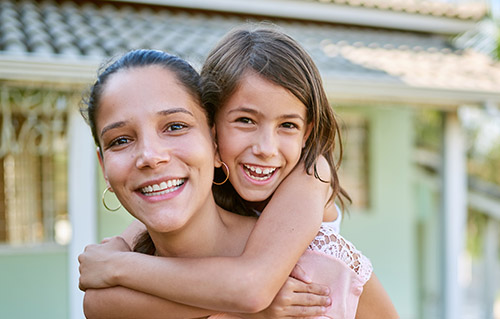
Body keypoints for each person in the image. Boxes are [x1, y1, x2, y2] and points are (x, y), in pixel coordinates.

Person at [79, 27, 398, 318]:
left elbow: (253, 287)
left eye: (175, 127)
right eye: (245, 121)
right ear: (215, 133)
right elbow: (97, 305)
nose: (266, 147)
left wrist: (117, 266)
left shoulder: (311, 176)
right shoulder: (164, 226)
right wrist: (116, 256)